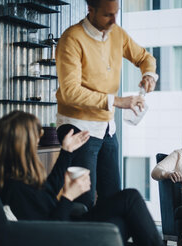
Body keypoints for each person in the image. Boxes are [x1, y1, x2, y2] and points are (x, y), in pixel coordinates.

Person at [0, 111, 164, 246]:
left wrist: (66, 152)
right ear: (22, 144)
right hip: (67, 233)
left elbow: (49, 190)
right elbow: (47, 234)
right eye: (35, 137)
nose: (38, 140)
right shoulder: (15, 189)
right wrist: (68, 196)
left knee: (125, 209)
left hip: (69, 223)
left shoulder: (16, 178)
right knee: (128, 202)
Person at [55, 0, 159, 210]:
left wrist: (148, 74)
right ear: (90, 10)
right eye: (107, 15)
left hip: (106, 129)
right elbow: (70, 92)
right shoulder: (71, 38)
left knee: (112, 198)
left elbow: (144, 57)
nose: (114, 20)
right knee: (82, 201)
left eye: (116, 13)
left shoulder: (117, 34)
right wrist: (118, 101)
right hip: (78, 127)